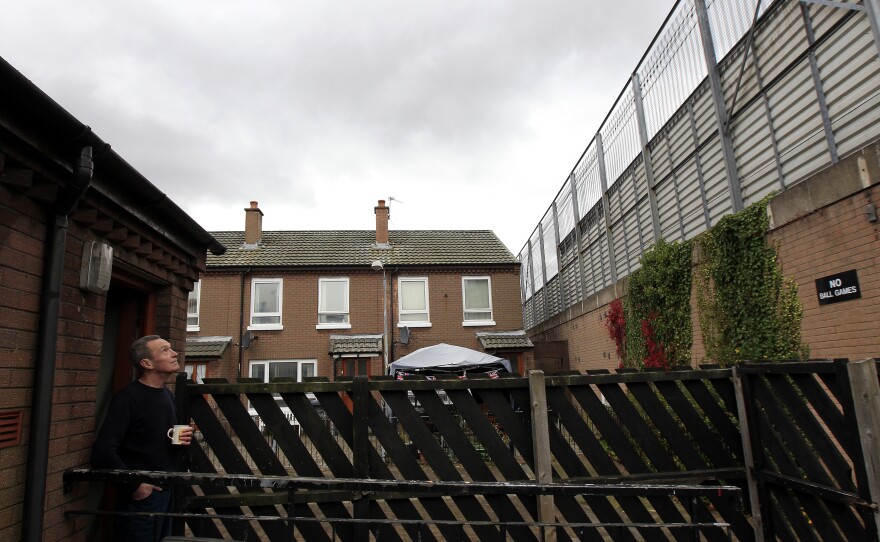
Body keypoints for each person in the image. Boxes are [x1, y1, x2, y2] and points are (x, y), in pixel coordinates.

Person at [91, 335, 193, 542]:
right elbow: (103, 451)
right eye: (165, 350)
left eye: (171, 349)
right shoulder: (128, 398)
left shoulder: (167, 395)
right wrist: (134, 486)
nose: (174, 354)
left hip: (165, 493)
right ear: (146, 363)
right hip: (142, 498)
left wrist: (180, 440)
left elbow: (153, 440)